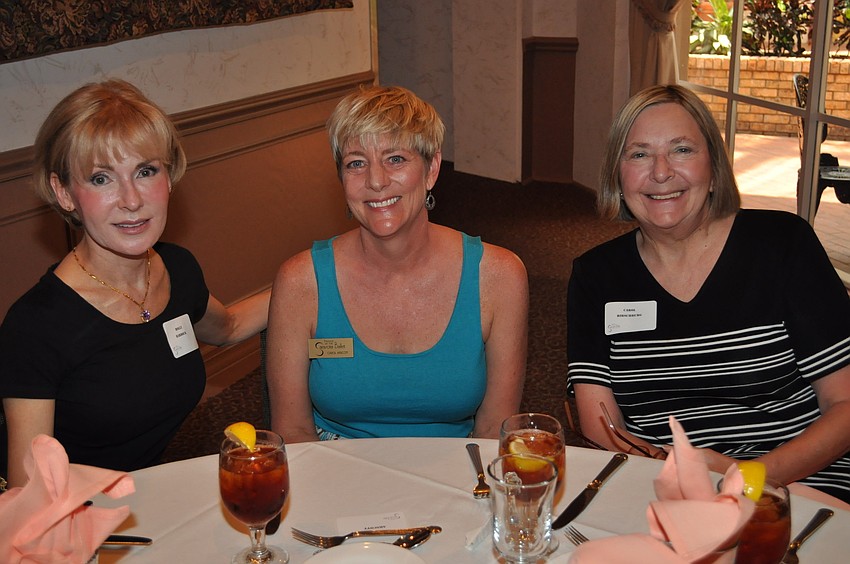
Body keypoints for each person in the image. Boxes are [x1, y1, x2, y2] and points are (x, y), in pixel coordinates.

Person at [567, 84, 850, 503]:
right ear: (617, 174)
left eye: (682, 150)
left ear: (714, 168)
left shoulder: (781, 245)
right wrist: (678, 478)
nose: (661, 172)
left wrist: (745, 478)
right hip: (664, 482)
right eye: (639, 154)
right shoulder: (596, 275)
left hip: (797, 479)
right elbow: (601, 426)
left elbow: (845, 406)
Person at [0, 79, 271, 487]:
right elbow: (30, 495)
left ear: (169, 177)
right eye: (101, 179)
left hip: (148, 496)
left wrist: (315, 276)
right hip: (79, 522)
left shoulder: (176, 270)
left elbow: (229, 326)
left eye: (145, 171)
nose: (131, 199)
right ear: (65, 193)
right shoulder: (37, 325)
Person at [266, 85, 528, 442]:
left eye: (396, 159)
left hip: (455, 470)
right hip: (336, 470)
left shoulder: (498, 276)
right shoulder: (301, 281)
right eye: (356, 163)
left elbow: (494, 429)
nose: (376, 181)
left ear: (432, 168)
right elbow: (293, 431)